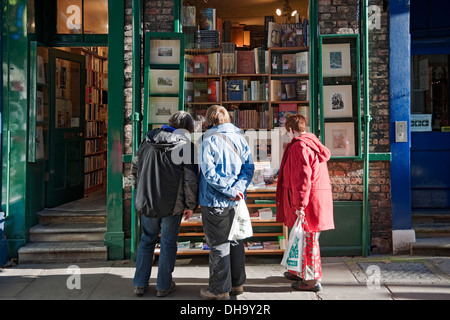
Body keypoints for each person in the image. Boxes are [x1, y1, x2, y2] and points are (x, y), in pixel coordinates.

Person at [132, 111, 198, 297]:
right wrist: (190, 205)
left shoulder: (147, 141)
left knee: (146, 240)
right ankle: (163, 286)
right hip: (173, 204)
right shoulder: (186, 146)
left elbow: (135, 168)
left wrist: (141, 191)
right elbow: (190, 180)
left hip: (147, 201)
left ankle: (139, 283)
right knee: (168, 243)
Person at [198, 105, 255, 300]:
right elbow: (249, 168)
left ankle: (219, 290)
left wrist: (229, 190)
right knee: (236, 242)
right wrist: (237, 190)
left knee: (219, 245)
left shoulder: (207, 139)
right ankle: (237, 285)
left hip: (215, 201)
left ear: (209, 119)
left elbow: (209, 173)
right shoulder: (240, 138)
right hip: (236, 201)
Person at [276, 115, 334, 292]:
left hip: (307, 202)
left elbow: (302, 178)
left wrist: (299, 205)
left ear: (290, 130)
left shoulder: (300, 146)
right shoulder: (311, 142)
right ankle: (297, 271)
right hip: (315, 199)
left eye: (286, 132)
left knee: (308, 241)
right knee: (300, 238)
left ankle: (311, 281)